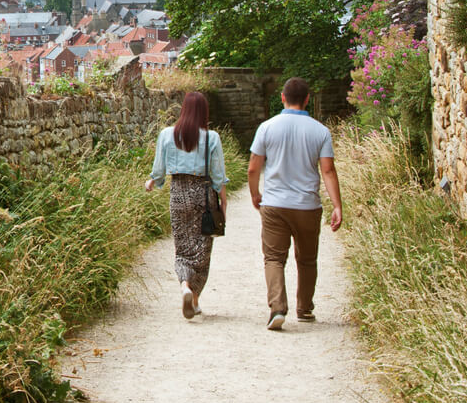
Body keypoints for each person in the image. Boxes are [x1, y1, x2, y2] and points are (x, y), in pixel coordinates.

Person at [247, 77, 342, 331]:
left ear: (282, 98)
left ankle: (277, 307)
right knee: (307, 259)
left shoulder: (267, 128)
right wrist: (337, 206)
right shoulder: (320, 131)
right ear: (308, 99)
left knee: (274, 258)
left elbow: (254, 167)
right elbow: (328, 171)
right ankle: (305, 308)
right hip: (307, 205)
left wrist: (256, 194)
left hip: (275, 203)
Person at [145, 91, 227, 320]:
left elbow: (159, 169)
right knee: (202, 250)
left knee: (182, 248)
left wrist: (153, 180)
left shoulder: (166, 134)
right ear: (204, 112)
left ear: (183, 110)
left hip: (178, 193)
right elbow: (218, 177)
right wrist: (223, 204)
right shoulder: (212, 138)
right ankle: (195, 297)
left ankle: (184, 287)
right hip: (203, 195)